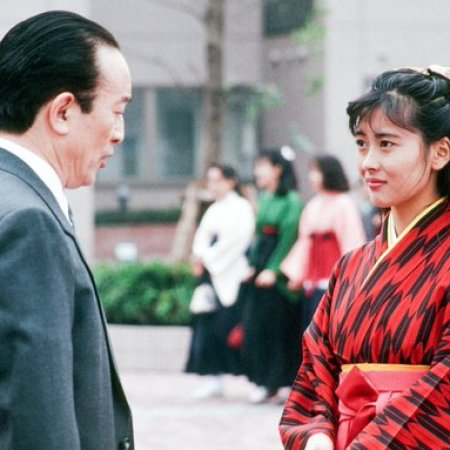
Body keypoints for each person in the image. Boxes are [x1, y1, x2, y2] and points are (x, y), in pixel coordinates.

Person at [279, 65, 450, 450]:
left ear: (440, 152)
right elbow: (316, 370)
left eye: (386, 144)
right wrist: (316, 435)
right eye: (361, 143)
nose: (368, 162)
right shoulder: (350, 266)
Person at [0, 11, 133, 449]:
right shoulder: (29, 223)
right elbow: (39, 420)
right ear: (62, 111)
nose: (120, 134)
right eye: (117, 111)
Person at [185, 163, 255, 398]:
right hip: (211, 274)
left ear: (231, 181)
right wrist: (201, 256)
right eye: (210, 181)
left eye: (217, 180)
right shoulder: (213, 209)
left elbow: (237, 241)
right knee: (209, 328)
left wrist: (209, 258)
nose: (212, 185)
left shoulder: (242, 207)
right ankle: (213, 378)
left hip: (232, 272)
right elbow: (201, 238)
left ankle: (253, 380)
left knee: (235, 328)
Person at [242, 147, 303, 403]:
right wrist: (252, 265)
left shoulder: (292, 200)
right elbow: (259, 237)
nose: (257, 171)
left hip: (280, 274)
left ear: (277, 169)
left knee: (281, 330)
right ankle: (264, 382)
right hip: (261, 268)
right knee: (259, 329)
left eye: (262, 165)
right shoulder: (265, 197)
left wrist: (273, 270)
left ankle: (285, 382)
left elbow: (289, 238)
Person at [281, 155, 366, 332]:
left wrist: (350, 280)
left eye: (316, 171)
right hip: (311, 281)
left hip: (332, 281)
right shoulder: (312, 205)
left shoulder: (344, 204)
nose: (312, 177)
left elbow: (352, 243)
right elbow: (305, 243)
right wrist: (297, 275)